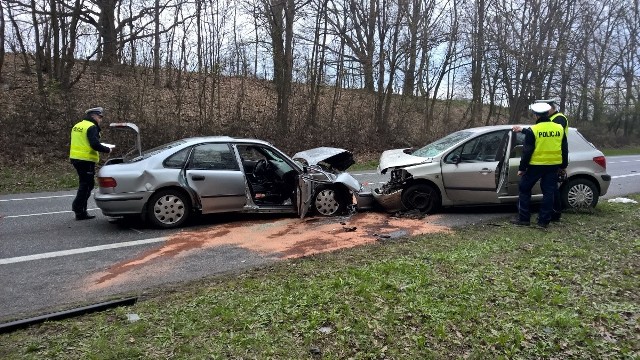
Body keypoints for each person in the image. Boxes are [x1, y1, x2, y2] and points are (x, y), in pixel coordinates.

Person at [511, 102, 568, 228]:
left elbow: (527, 151)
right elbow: (564, 148)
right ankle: (543, 221)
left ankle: (524, 218)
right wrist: (563, 166)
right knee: (549, 192)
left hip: (536, 165)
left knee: (524, 189)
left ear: (536, 116)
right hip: (553, 165)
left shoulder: (534, 130)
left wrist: (522, 168)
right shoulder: (559, 128)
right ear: (548, 113)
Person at [69, 107, 112, 220]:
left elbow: (83, 142)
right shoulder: (91, 127)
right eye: (100, 117)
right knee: (87, 185)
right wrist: (107, 149)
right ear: (93, 116)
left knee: (85, 184)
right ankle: (78, 208)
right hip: (85, 159)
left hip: (76, 158)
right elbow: (94, 144)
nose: (100, 119)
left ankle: (81, 212)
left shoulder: (77, 125)